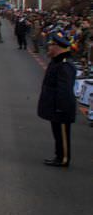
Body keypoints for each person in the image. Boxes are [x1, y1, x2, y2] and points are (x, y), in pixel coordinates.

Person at [38, 30, 76, 167]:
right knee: (57, 133)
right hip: (55, 105)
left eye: (50, 45)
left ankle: (63, 158)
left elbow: (64, 89)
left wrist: (61, 107)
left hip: (61, 107)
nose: (48, 47)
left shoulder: (64, 65)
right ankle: (58, 155)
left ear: (57, 47)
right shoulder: (57, 62)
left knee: (63, 135)